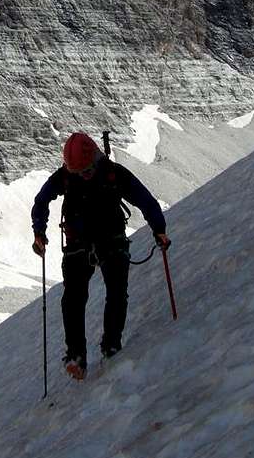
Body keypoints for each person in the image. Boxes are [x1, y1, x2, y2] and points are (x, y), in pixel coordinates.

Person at [31, 132, 170, 380]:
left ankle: (111, 344)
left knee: (115, 292)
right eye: (78, 172)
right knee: (73, 299)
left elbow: (146, 201)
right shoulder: (68, 175)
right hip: (82, 242)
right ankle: (77, 355)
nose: (82, 175)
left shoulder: (112, 173)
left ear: (95, 159)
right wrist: (38, 231)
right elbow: (41, 201)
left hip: (109, 240)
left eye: (85, 171)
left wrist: (159, 230)